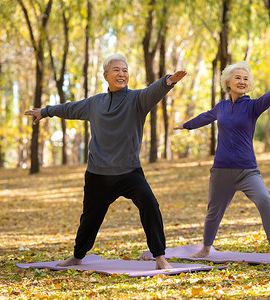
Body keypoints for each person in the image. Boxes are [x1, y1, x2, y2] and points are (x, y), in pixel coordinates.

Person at [24, 54, 187, 269]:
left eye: (125, 70)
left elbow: (152, 91)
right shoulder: (95, 103)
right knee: (89, 218)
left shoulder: (137, 100)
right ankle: (77, 256)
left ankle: (160, 258)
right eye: (117, 70)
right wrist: (45, 112)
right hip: (98, 174)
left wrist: (168, 81)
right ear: (106, 75)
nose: (122, 74)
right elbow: (70, 108)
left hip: (129, 172)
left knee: (150, 205)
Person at [174, 61, 270, 262]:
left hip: (247, 170)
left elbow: (267, 99)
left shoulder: (252, 106)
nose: (242, 81)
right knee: (213, 212)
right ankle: (205, 249)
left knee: (265, 201)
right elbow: (205, 117)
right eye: (238, 77)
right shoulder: (221, 106)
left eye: (246, 78)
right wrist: (186, 126)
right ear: (228, 83)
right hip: (221, 171)